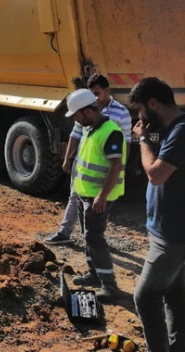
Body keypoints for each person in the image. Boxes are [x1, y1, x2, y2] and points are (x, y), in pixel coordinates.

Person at [130, 77, 185, 352]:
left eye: (140, 109)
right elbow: (152, 143)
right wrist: (144, 134)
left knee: (146, 297)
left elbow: (156, 174)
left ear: (153, 103)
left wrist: (142, 140)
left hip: (173, 237)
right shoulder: (168, 128)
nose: (140, 116)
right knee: (176, 295)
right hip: (166, 230)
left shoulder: (182, 131)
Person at [46, 74, 132, 245]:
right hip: (82, 165)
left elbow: (126, 143)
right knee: (74, 196)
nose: (94, 98)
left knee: (98, 205)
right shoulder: (84, 108)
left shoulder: (121, 113)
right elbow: (75, 135)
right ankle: (66, 233)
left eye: (97, 93)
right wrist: (68, 158)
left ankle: (93, 240)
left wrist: (121, 167)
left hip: (103, 169)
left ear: (107, 90)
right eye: (91, 94)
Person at [64, 88, 126, 301]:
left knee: (94, 237)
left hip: (98, 197)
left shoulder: (111, 132)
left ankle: (109, 284)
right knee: (88, 235)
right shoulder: (90, 129)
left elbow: (115, 165)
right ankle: (94, 274)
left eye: (76, 115)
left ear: (87, 111)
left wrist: (102, 196)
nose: (75, 119)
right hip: (85, 194)